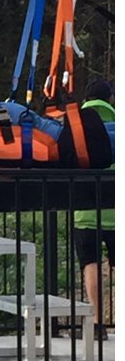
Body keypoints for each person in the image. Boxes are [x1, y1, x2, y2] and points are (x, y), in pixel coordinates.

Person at [71, 79, 114, 339]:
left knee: (90, 263)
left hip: (85, 206)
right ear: (109, 99)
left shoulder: (75, 125)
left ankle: (97, 324)